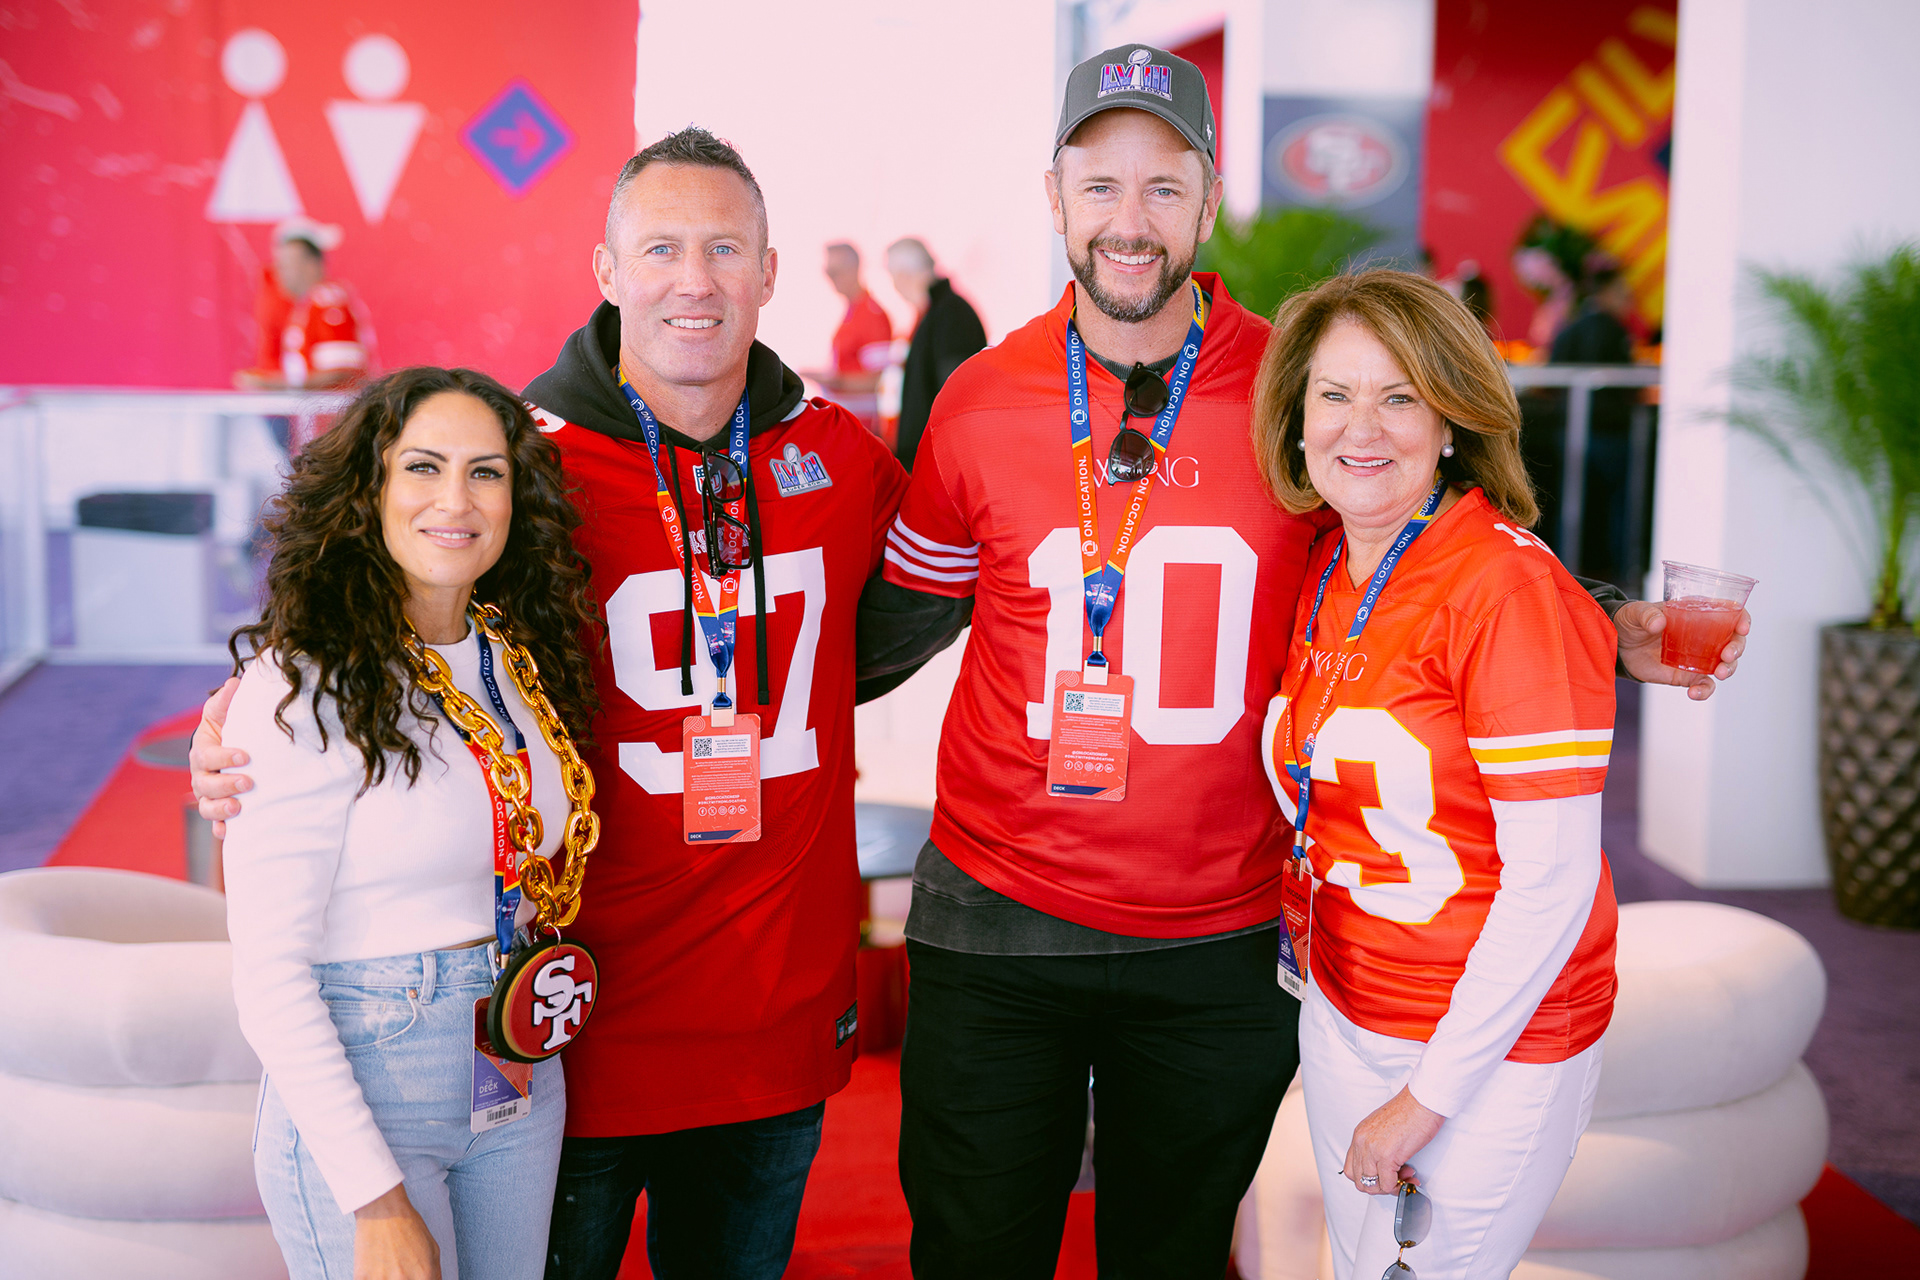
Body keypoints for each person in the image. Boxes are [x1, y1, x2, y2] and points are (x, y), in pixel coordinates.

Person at [860, 44, 1747, 1278]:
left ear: (1210, 200)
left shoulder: (1300, 385)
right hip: (1000, 916)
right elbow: (888, 624)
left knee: (1170, 1252)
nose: (1132, 220)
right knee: (971, 1247)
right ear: (1053, 194)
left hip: (1217, 934)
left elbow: (1415, 545)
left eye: (1165, 187)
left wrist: (1594, 615)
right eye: (1100, 185)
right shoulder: (976, 397)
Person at [196, 128, 912, 1280]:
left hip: (776, 1015)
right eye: (663, 247)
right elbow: (373, 606)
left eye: (726, 249)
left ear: (769, 272)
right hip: (566, 1021)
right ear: (608, 270)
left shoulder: (833, 453)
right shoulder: (524, 466)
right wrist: (238, 706)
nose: (695, 279)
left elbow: (947, 597)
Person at [1252, 269, 1618, 1280]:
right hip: (1347, 997)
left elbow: (1551, 885)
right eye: (1335, 393)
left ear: (1452, 418)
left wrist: (1427, 1098)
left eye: (1399, 394)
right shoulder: (1333, 563)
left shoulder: (1506, 585)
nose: (1361, 425)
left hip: (1490, 1038)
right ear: (1297, 417)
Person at [221, 366, 601, 1280]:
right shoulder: (304, 682)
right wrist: (372, 1197)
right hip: (372, 1071)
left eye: (487, 472)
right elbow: (268, 974)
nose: (455, 500)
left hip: (515, 1067)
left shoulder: (512, 653)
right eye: (423, 467)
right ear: (371, 490)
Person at [235, 217, 376, 392]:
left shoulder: (328, 303)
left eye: (286, 266)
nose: (279, 274)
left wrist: (270, 384)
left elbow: (340, 373)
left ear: (311, 265)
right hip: (324, 415)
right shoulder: (309, 305)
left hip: (336, 415)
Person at [886, 236, 985, 468]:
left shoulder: (950, 315)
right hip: (931, 457)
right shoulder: (936, 313)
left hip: (941, 461)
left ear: (903, 276)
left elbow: (955, 392)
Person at [808, 241, 893, 434]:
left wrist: (833, 381)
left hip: (862, 427)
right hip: (848, 423)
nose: (832, 279)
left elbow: (878, 380)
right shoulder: (853, 312)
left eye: (836, 271)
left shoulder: (871, 315)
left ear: (854, 268)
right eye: (828, 272)